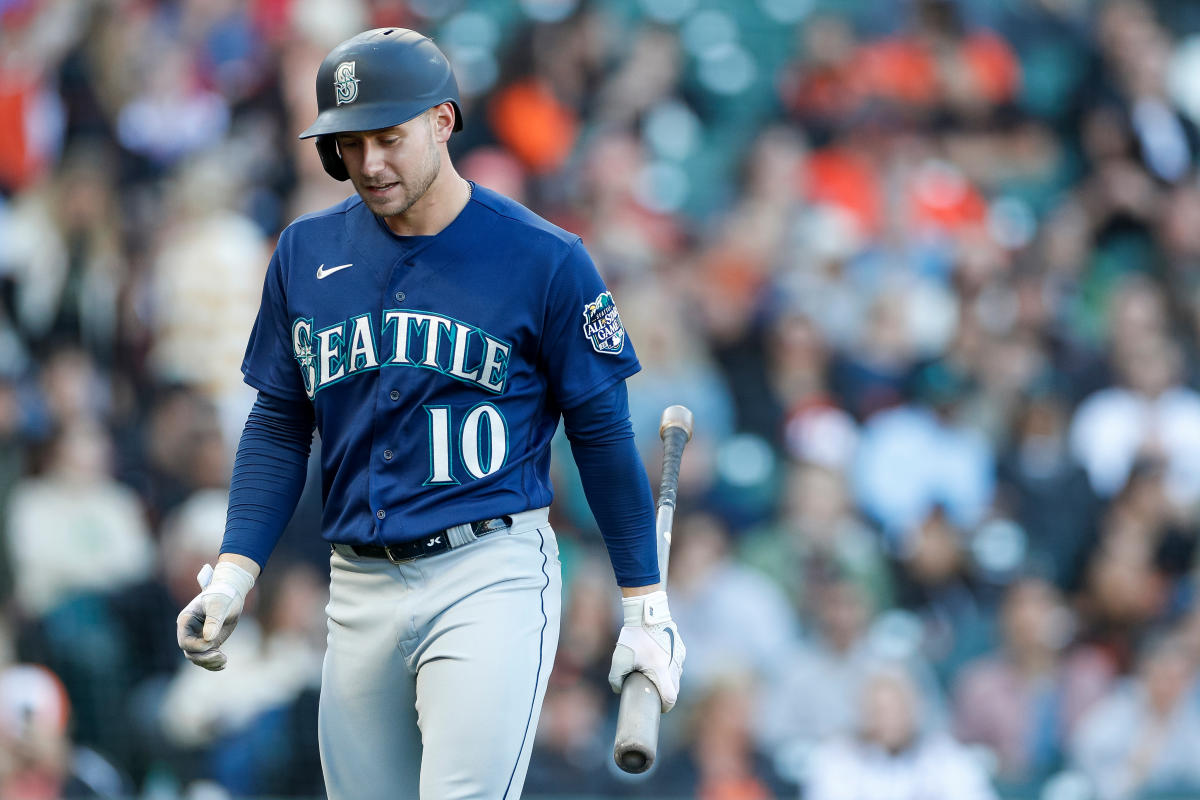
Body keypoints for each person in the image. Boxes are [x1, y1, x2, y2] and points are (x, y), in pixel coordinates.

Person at [174, 28, 685, 800]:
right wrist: (234, 576)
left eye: (389, 138)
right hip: (358, 585)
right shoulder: (304, 253)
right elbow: (281, 422)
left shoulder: (544, 257)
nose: (370, 163)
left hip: (488, 572)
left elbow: (603, 434)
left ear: (444, 122)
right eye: (350, 143)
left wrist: (644, 605)